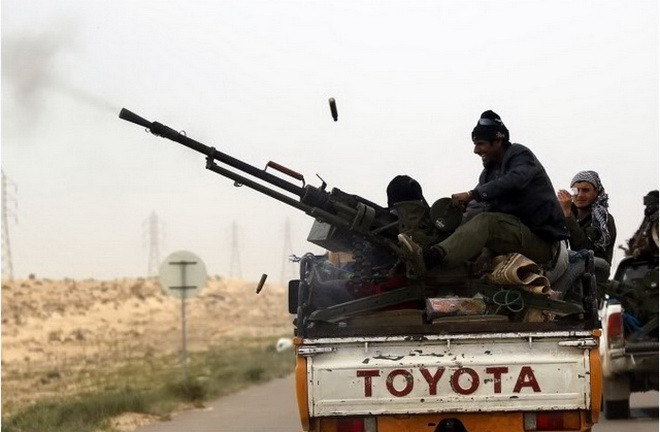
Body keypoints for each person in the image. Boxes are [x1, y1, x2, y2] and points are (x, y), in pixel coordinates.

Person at [399, 110, 569, 274]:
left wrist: (472, 194)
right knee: (472, 221)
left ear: (498, 141)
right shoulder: (488, 174)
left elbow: (515, 180)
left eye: (480, 144)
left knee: (486, 222)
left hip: (542, 244)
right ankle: (427, 254)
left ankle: (428, 260)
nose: (476, 150)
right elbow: (478, 209)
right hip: (515, 235)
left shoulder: (520, 155)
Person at [556, 171, 617, 269]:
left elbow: (584, 249)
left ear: (596, 192)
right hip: (569, 264)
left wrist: (568, 215)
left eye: (585, 190)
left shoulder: (603, 220)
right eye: (576, 190)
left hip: (595, 268)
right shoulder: (566, 214)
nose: (580, 195)